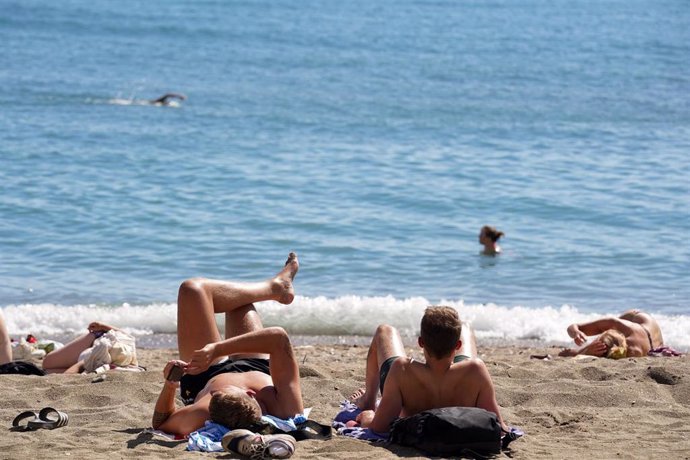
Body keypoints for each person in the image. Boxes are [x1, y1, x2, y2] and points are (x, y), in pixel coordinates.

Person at [151, 252, 304, 439]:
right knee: (238, 302)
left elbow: (160, 423)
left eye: (214, 394)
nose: (217, 391)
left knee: (191, 289)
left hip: (203, 373)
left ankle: (277, 288)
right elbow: (278, 338)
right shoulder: (285, 408)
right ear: (250, 393)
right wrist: (218, 348)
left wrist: (170, 385)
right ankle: (277, 287)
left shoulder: (201, 412)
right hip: (256, 364)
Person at [351, 306, 510, 434]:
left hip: (409, 387)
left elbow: (380, 427)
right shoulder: (476, 370)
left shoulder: (401, 369)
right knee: (466, 328)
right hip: (461, 391)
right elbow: (499, 427)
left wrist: (368, 417)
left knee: (384, 330)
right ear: (458, 346)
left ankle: (369, 400)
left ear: (420, 342)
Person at [559, 309, 664, 358]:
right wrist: (576, 333)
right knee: (605, 336)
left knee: (601, 341)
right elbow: (573, 327)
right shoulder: (616, 324)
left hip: (648, 334)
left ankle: (579, 350)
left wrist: (582, 353)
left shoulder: (632, 352)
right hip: (637, 318)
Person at [41, 322, 126, 373]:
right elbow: (71, 372)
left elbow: (126, 336)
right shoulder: (95, 354)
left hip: (102, 337)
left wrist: (102, 325)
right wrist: (102, 326)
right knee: (47, 363)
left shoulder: (127, 354)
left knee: (48, 369)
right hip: (97, 338)